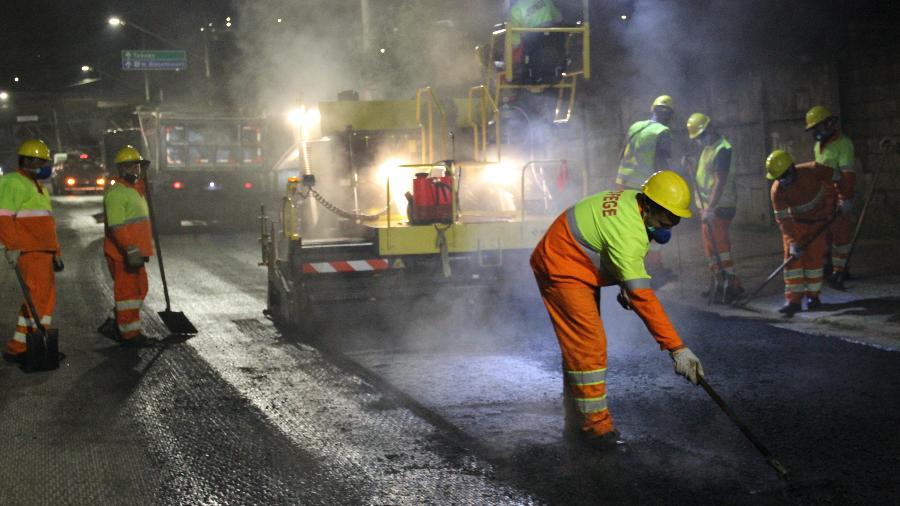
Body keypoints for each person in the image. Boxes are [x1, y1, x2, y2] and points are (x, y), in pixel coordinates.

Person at [530, 170, 705, 449]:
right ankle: (596, 431)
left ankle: (577, 422)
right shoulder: (628, 231)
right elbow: (643, 297)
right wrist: (677, 348)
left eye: (675, 220)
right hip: (561, 266)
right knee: (589, 346)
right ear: (648, 206)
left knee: (580, 350)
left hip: (575, 261)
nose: (669, 226)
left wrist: (626, 284)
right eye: (666, 218)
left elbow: (616, 253)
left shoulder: (634, 206)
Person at [0, 139, 63, 360]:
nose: (45, 165)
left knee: (44, 299)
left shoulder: (38, 187)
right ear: (27, 160)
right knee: (37, 298)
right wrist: (13, 246)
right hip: (30, 251)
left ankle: (34, 342)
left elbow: (46, 223)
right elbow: (4, 218)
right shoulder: (12, 182)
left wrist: (56, 252)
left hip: (44, 251)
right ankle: (19, 349)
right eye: (41, 161)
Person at [765, 150, 836, 316]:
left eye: (784, 176)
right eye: (779, 178)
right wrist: (792, 242)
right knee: (792, 263)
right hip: (795, 224)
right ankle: (793, 301)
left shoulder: (814, 170)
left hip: (818, 222)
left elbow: (838, 177)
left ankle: (813, 297)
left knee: (814, 261)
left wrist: (844, 198)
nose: (782, 181)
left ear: (792, 169)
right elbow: (783, 220)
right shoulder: (777, 191)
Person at [97, 146, 154, 345]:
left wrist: (144, 175)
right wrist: (130, 247)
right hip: (124, 254)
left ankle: (115, 323)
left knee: (140, 290)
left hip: (137, 252)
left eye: (136, 166)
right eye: (129, 167)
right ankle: (130, 335)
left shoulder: (135, 190)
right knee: (128, 294)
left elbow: (141, 187)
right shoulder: (116, 192)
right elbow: (116, 225)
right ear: (120, 169)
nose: (134, 171)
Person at [616, 95, 676, 283]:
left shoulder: (635, 127)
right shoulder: (663, 132)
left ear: (652, 109)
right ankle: (655, 271)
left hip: (624, 185)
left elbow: (622, 153)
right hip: (645, 188)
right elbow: (661, 162)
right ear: (670, 116)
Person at [685, 112, 744, 302]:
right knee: (711, 248)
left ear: (710, 128)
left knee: (720, 247)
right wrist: (692, 167)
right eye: (697, 139)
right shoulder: (708, 148)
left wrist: (710, 208)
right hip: (708, 208)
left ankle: (732, 285)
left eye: (701, 136)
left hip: (720, 206)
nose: (699, 141)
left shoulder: (723, 149)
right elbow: (706, 176)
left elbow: (720, 181)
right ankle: (719, 282)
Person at [805, 105, 855, 288]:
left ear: (829, 124)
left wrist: (846, 198)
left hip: (838, 194)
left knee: (840, 235)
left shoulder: (844, 144)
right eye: (813, 129)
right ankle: (830, 266)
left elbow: (848, 174)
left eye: (818, 128)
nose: (816, 133)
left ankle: (840, 271)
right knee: (824, 234)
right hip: (822, 196)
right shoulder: (819, 145)